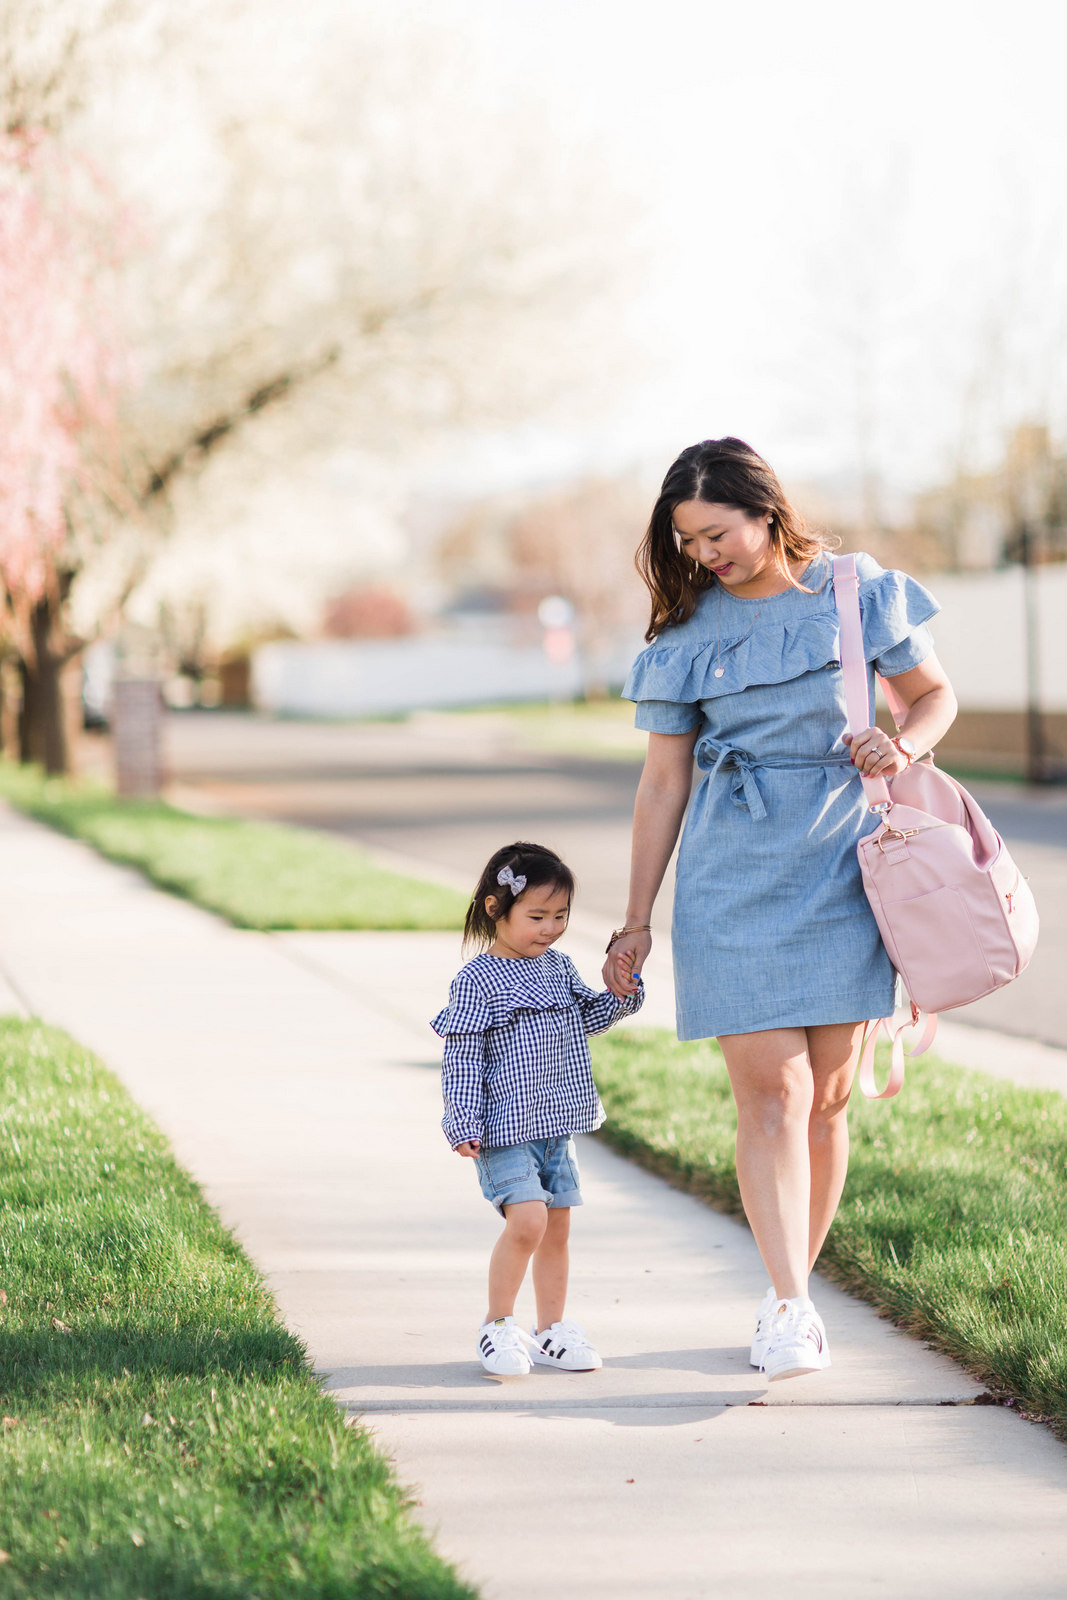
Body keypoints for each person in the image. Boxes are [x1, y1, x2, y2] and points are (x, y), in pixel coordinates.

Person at [602, 438, 958, 1381]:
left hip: (845, 867)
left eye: (715, 533)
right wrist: (635, 919)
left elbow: (930, 696)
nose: (702, 555)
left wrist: (904, 749)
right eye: (686, 541)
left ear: (764, 510)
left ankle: (788, 1293)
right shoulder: (685, 632)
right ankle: (791, 1304)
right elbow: (660, 785)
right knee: (774, 1092)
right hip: (730, 876)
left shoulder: (854, 593)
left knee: (830, 1098)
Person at [433, 841, 644, 1377]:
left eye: (561, 916)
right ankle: (499, 1325)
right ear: (495, 910)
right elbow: (461, 1055)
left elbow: (586, 1020)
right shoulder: (477, 980)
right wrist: (461, 1119)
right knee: (526, 1223)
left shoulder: (558, 967)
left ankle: (552, 1329)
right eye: (536, 916)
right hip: (503, 1130)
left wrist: (620, 990)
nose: (550, 928)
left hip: (556, 1129)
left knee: (556, 1230)